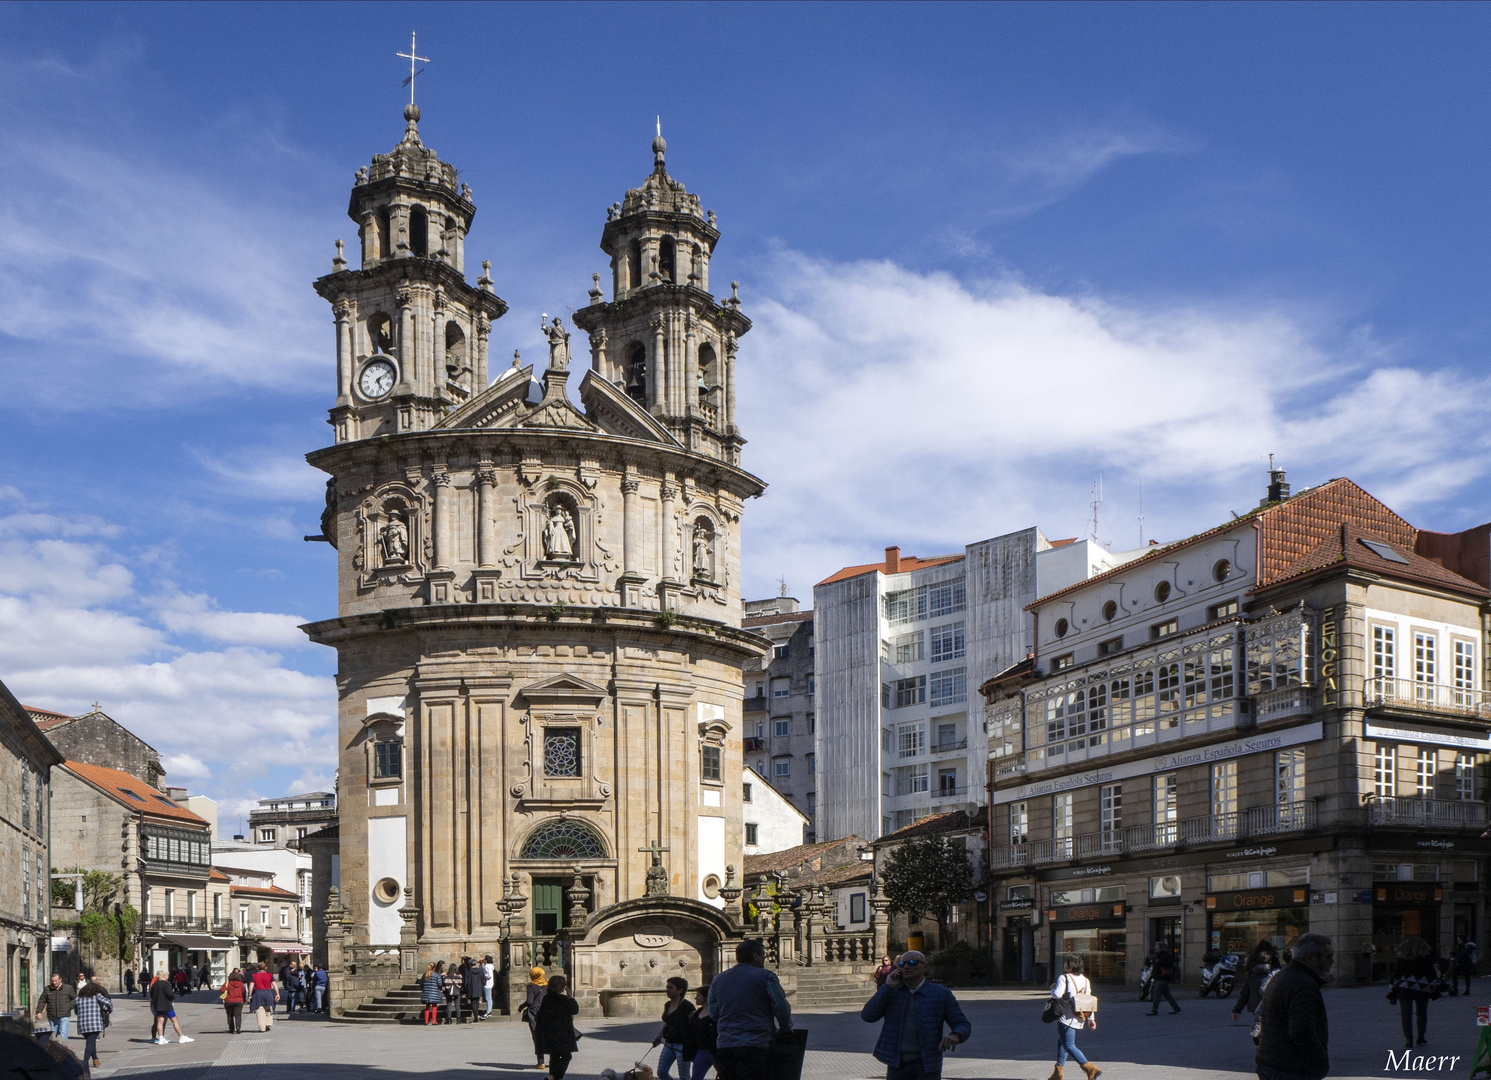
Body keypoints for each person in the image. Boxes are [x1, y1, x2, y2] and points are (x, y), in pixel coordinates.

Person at [861, 949, 971, 1080]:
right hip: (897, 1063)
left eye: (912, 963)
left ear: (924, 967)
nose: (906, 967)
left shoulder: (941, 994)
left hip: (927, 1064)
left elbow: (961, 1023)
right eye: (902, 964)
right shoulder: (892, 991)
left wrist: (956, 1035)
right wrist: (886, 987)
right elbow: (868, 1016)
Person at [709, 939, 792, 1080]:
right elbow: (780, 1007)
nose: (764, 960)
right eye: (763, 957)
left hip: (726, 1044)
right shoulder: (766, 977)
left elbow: (713, 1011)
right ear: (755, 956)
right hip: (755, 1044)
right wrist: (785, 1028)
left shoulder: (718, 979)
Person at [1254, 933, 1332, 1080]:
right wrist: (1320, 1062)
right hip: (1291, 1069)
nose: (1331, 961)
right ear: (1310, 957)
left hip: (1272, 1064)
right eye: (1328, 956)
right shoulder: (1303, 984)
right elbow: (1301, 1031)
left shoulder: (1282, 977)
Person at [1049, 953, 1100, 1080]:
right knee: (1062, 1042)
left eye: (1065, 962)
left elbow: (1056, 995)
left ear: (1069, 964)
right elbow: (1088, 1000)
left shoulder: (1064, 978)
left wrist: (1052, 988)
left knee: (1068, 1045)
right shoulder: (1085, 980)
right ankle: (1058, 1072)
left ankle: (1089, 1068)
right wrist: (1091, 1019)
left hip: (1065, 1016)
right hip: (1079, 1015)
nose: (1064, 964)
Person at [1389, 936, 1437, 1049]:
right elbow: (1432, 974)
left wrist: (1392, 987)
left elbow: (1396, 975)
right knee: (1422, 1013)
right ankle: (1421, 1036)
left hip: (1405, 989)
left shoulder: (1402, 958)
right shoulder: (1426, 958)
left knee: (1406, 1014)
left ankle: (1408, 1038)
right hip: (1422, 988)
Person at [536, 974, 580, 1080]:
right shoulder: (563, 999)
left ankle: (552, 1077)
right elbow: (575, 1010)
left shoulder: (547, 998)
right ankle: (553, 1077)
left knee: (554, 1057)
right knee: (567, 1056)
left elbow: (541, 1016)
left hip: (549, 1033)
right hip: (562, 1034)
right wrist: (571, 997)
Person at [652, 976, 696, 1080]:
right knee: (661, 1072)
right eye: (667, 987)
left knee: (684, 1076)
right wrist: (658, 1038)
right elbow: (667, 1023)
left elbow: (695, 1024)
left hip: (682, 1046)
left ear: (680, 990)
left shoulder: (687, 1006)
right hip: (668, 1043)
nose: (667, 990)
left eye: (670, 988)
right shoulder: (667, 1005)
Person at [1232, 942, 1281, 1024]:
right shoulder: (1277, 974)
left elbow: (1244, 994)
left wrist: (1237, 1010)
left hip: (1255, 1006)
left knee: (1258, 1026)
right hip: (1273, 1006)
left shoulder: (1252, 974)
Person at [74, 975, 112, 1074]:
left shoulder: (78, 998)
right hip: (94, 1024)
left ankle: (95, 1059)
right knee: (90, 1043)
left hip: (82, 1025)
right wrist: (109, 1010)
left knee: (91, 1041)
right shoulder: (96, 996)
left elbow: (76, 1011)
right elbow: (108, 1002)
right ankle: (84, 1064)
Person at [150, 967, 192, 1044]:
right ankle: (181, 1036)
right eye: (167, 975)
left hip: (158, 1006)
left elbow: (151, 995)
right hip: (167, 1006)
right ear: (163, 976)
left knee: (160, 1022)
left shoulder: (155, 984)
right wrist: (172, 998)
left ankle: (161, 1037)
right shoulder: (166, 984)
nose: (168, 977)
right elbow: (171, 995)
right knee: (175, 1021)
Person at [36, 972, 77, 1043]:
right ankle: (56, 1051)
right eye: (52, 981)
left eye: (56, 981)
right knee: (54, 1034)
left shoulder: (68, 988)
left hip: (64, 1014)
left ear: (60, 980)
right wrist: (39, 1012)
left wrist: (68, 1006)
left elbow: (75, 999)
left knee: (63, 1033)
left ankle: (64, 1050)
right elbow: (42, 1001)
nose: (54, 982)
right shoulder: (47, 989)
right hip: (52, 1015)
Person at [687, 987, 717, 1080]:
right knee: (696, 1077)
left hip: (715, 1051)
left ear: (706, 997)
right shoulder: (697, 1014)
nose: (695, 998)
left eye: (698, 995)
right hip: (701, 1051)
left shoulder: (716, 1013)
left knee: (726, 1075)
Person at [523, 967, 548, 1066]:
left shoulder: (531, 986)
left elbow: (529, 1001)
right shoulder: (548, 985)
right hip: (546, 1011)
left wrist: (521, 1006)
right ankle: (552, 1061)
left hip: (535, 1013)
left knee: (537, 1036)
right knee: (548, 1035)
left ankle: (541, 1062)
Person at [1146, 947, 1180, 1016]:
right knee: (1167, 994)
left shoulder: (1165, 956)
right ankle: (1176, 1007)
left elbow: (1167, 965)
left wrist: (1158, 962)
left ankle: (1154, 1010)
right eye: (1155, 947)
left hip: (1162, 977)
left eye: (1157, 947)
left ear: (1161, 948)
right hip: (1159, 977)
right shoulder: (1158, 956)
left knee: (1156, 994)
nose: (1156, 948)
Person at [249, 962, 278, 1033]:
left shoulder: (254, 976)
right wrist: (277, 994)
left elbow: (251, 986)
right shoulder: (269, 975)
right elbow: (274, 985)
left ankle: (262, 1028)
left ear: (257, 968)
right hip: (268, 993)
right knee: (268, 1008)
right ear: (265, 968)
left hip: (258, 993)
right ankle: (268, 1023)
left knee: (260, 1010)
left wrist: (250, 995)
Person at [222, 968, 247, 1034]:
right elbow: (244, 992)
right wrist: (243, 999)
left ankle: (231, 1029)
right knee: (238, 1015)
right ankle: (238, 1027)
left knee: (229, 1015)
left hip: (229, 1001)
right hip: (239, 1001)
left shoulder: (228, 983)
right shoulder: (241, 984)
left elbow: (221, 990)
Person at [462, 957, 486, 1023]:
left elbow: (466, 982)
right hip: (478, 987)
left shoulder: (468, 971)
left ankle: (476, 1017)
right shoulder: (480, 971)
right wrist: (482, 986)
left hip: (471, 988)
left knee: (473, 1002)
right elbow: (483, 979)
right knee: (477, 1001)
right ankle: (476, 1015)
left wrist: (466, 989)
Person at [482, 955, 496, 1019]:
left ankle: (488, 1012)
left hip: (487, 984)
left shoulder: (487, 966)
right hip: (490, 984)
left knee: (488, 998)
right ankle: (489, 1011)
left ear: (486, 960)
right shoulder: (491, 967)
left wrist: (485, 977)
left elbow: (489, 975)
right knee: (489, 998)